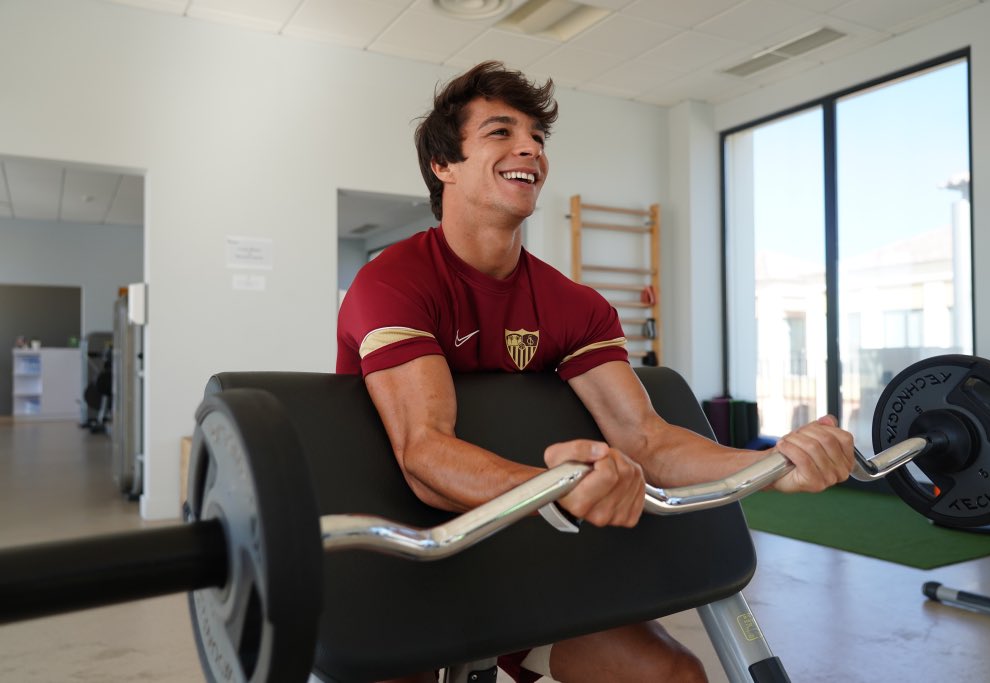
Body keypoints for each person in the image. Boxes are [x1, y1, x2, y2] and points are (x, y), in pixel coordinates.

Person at [337, 61, 854, 683]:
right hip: (407, 555)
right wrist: (555, 487)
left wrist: (774, 466)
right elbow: (424, 455)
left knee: (671, 675)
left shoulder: (574, 306)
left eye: (537, 137)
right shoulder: (393, 282)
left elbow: (646, 439)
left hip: (526, 549)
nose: (530, 148)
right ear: (443, 164)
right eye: (501, 132)